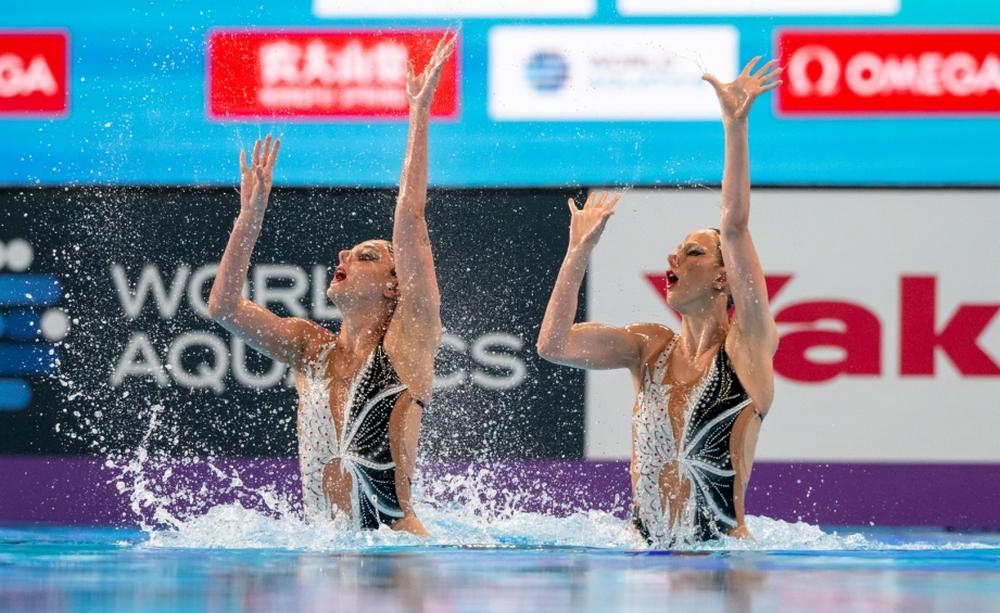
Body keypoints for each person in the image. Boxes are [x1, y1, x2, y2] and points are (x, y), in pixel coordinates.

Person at [207, 35, 456, 535]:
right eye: (348, 253)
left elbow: (409, 214)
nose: (343, 256)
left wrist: (419, 112)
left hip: (398, 551)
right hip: (325, 551)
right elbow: (224, 307)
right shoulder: (309, 348)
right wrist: (247, 224)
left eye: (366, 256)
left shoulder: (409, 340)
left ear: (394, 287)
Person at [537, 57, 783, 546]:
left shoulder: (747, 347)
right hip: (642, 557)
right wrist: (577, 253)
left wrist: (735, 125)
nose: (674, 256)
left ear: (723, 279)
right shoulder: (648, 347)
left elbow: (733, 225)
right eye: (677, 249)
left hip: (721, 561)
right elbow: (554, 345)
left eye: (693, 252)